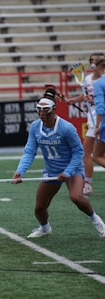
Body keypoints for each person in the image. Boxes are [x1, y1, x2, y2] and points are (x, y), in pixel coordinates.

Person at [12, 87, 105, 238]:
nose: (42, 114)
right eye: (39, 110)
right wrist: (20, 172)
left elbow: (79, 152)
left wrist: (67, 172)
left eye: (46, 110)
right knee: (39, 207)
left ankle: (96, 220)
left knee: (76, 197)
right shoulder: (35, 127)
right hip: (52, 170)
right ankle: (44, 228)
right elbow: (30, 151)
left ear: (54, 110)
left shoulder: (66, 128)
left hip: (72, 169)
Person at [67, 52, 105, 195]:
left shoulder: (102, 82)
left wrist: (94, 102)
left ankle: (87, 183)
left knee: (91, 154)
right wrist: (72, 100)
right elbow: (86, 96)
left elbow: (99, 103)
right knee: (89, 153)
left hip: (99, 120)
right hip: (93, 120)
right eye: (90, 61)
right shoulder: (88, 79)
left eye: (94, 62)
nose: (91, 64)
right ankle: (87, 183)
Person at [92, 58, 105, 167]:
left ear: (99, 67)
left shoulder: (98, 83)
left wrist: (97, 126)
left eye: (93, 67)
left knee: (96, 155)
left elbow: (100, 107)